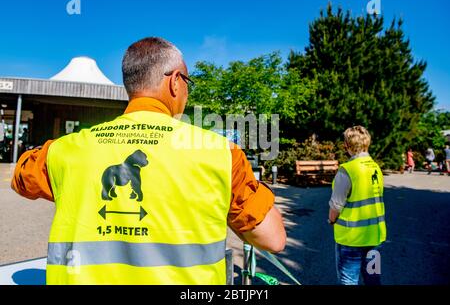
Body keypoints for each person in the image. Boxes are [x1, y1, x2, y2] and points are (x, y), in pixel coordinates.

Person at [11, 37, 286, 285]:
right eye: (188, 84)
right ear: (175, 82)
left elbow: (21, 178)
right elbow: (272, 239)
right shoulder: (219, 153)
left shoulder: (64, 150)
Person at [328, 126, 386, 285]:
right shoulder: (375, 168)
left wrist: (331, 220)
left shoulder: (347, 170)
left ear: (347, 145)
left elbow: (336, 206)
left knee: (349, 280)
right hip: (375, 236)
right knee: (373, 279)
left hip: (351, 238)